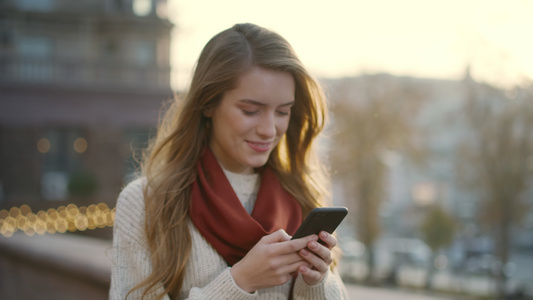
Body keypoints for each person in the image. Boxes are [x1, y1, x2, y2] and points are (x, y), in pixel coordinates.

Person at [110, 23, 348, 300]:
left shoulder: (301, 199)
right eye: (251, 111)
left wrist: (316, 282)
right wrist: (240, 281)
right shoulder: (146, 202)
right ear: (208, 104)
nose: (269, 130)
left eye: (283, 112)